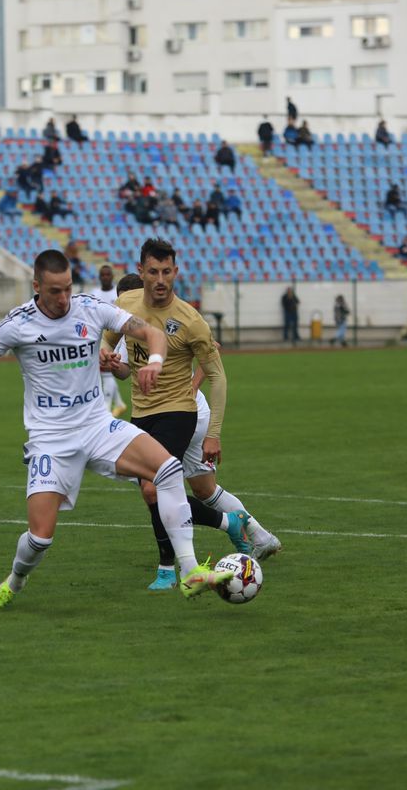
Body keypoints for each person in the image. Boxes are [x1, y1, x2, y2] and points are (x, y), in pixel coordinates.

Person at [0, 249, 236, 607]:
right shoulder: (19, 324)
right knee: (40, 538)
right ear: (37, 286)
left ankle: (190, 570)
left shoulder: (88, 308)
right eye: (55, 291)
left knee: (167, 469)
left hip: (97, 426)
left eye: (68, 288)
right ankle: (15, 580)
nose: (63, 298)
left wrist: (154, 361)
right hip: (51, 441)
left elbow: (152, 332)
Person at [103, 241, 279, 588]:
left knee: (155, 489)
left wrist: (214, 433)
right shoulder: (125, 306)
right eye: (153, 271)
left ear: (176, 273)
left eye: (166, 272)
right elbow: (107, 342)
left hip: (181, 411)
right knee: (189, 489)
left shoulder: (189, 319)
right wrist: (106, 357)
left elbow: (217, 375)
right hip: (143, 413)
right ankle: (233, 524)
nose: (160, 279)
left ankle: (169, 569)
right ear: (141, 273)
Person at [89, 264, 127, 417]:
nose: (105, 277)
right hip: (99, 336)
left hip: (115, 336)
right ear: (99, 277)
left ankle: (106, 409)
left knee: (107, 370)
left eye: (107, 274)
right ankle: (119, 403)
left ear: (112, 276)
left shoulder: (117, 294)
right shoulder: (95, 293)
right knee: (103, 370)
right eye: (102, 275)